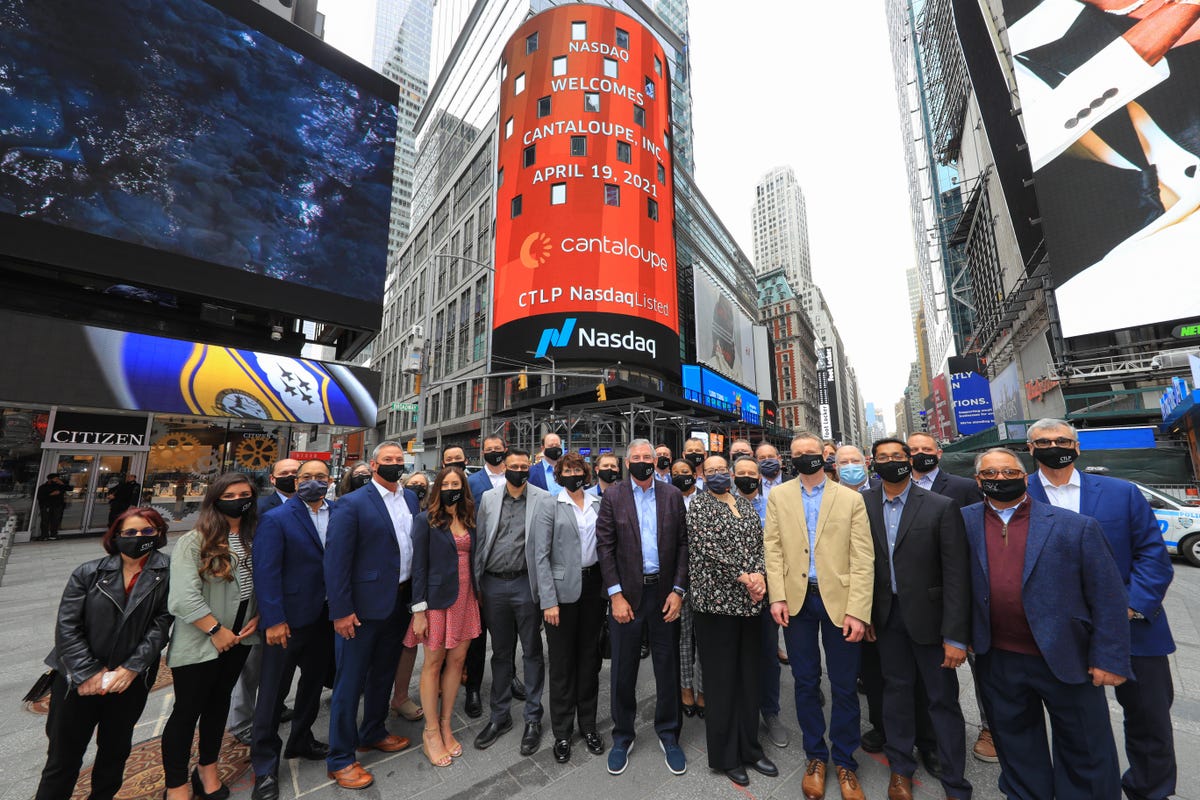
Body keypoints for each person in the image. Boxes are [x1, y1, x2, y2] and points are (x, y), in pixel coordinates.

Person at [964, 447, 1131, 800]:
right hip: (998, 657)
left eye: (1009, 473)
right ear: (978, 481)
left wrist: (1109, 657)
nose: (1000, 480)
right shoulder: (961, 522)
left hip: (1066, 655)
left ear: (1024, 477)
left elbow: (1108, 595)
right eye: (990, 474)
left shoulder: (1075, 526)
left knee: (1085, 747)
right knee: (1016, 746)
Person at [1023, 418, 1176, 800]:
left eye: (1062, 440)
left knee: (1149, 719)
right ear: (1030, 449)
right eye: (1044, 441)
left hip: (1133, 629)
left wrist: (1124, 607)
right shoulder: (1017, 494)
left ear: (1076, 446)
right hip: (1058, 632)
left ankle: (1150, 790)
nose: (1053, 446)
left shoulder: (1121, 493)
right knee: (1078, 725)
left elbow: (1152, 557)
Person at [764, 432, 873, 800]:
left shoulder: (849, 498)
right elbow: (773, 548)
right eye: (798, 454)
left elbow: (862, 557)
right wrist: (776, 596)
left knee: (843, 686)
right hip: (796, 602)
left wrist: (859, 611)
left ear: (823, 457)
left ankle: (844, 760)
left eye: (811, 452)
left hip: (839, 601)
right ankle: (816, 755)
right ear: (789, 459)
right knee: (805, 680)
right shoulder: (779, 496)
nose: (805, 458)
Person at [35, 507, 172, 800]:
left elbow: (161, 626)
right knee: (62, 758)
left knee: (115, 753)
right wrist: (88, 673)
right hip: (76, 681)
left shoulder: (168, 574)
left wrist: (132, 668)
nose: (139, 537)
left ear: (159, 534)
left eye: (148, 531)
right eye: (130, 532)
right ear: (116, 536)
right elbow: (67, 626)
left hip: (128, 681)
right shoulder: (87, 572)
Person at [862, 439, 971, 800]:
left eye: (897, 456)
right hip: (887, 618)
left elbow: (956, 573)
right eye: (883, 458)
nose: (890, 462)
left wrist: (956, 635)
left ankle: (955, 779)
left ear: (909, 461)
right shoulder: (862, 506)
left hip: (932, 620)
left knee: (942, 698)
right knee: (896, 693)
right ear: (872, 463)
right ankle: (900, 769)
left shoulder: (941, 506)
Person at [323, 442, 419, 789]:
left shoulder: (409, 499)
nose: (395, 465)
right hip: (361, 610)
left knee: (383, 673)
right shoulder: (352, 504)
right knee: (350, 683)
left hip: (399, 601)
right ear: (374, 465)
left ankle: (373, 730)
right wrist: (342, 611)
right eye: (388, 460)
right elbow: (336, 563)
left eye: (399, 460)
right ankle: (340, 758)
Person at [163, 474, 262, 800]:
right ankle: (176, 785)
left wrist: (257, 616)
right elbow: (181, 596)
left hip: (240, 638)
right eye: (230, 494)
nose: (238, 499)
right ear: (216, 499)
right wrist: (216, 631)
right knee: (187, 711)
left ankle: (207, 768)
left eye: (244, 494)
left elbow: (255, 585)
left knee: (218, 705)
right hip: (202, 640)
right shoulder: (196, 540)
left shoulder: (253, 534)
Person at [596, 439, 689, 777]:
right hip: (627, 598)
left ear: (655, 460)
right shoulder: (614, 496)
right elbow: (604, 547)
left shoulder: (672, 496)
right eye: (634, 458)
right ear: (627, 463)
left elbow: (682, 545)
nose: (641, 462)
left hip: (664, 594)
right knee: (623, 670)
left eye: (646, 457)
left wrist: (678, 591)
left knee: (667, 667)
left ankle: (669, 733)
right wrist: (615, 595)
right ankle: (623, 735)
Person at [688, 455, 777, 787]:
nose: (715, 474)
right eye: (708, 471)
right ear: (702, 475)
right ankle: (726, 756)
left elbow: (759, 543)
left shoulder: (743, 502)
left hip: (749, 604)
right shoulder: (699, 507)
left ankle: (751, 748)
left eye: (720, 469)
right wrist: (745, 577)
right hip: (716, 606)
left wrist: (758, 575)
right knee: (722, 682)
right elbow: (708, 550)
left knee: (748, 678)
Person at [249, 460, 335, 800]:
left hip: (326, 617)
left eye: (320, 477)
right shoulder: (276, 518)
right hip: (288, 621)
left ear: (329, 481)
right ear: (295, 482)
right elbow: (266, 573)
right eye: (306, 477)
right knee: (272, 694)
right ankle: (265, 766)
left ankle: (302, 738)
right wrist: (274, 619)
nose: (313, 482)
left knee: (313, 685)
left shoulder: (338, 512)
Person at [907, 432, 992, 764]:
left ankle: (990, 728)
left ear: (938, 453)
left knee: (978, 663)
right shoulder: (892, 487)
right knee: (928, 676)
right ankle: (925, 736)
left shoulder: (961, 488)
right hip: (917, 597)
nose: (919, 455)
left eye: (926, 450)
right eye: (913, 450)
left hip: (958, 590)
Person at [472, 447, 553, 755]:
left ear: (530, 469)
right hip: (493, 585)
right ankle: (500, 716)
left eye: (523, 466)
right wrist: (478, 584)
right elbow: (481, 542)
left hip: (525, 584)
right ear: (504, 468)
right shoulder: (489, 500)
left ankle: (533, 718)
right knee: (501, 654)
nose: (519, 470)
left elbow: (548, 549)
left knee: (532, 652)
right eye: (513, 466)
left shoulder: (543, 500)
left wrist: (547, 595)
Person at [405, 466, 481, 767]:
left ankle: (447, 723)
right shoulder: (426, 521)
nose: (452, 487)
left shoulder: (470, 519)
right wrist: (419, 611)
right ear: (438, 488)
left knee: (458, 662)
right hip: (436, 602)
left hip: (466, 598)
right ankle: (431, 732)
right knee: (433, 664)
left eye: (457, 483)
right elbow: (418, 568)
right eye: (447, 483)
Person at [535, 453, 607, 763]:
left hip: (593, 589)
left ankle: (588, 724)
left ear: (586, 473)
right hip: (561, 593)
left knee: (590, 660)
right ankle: (562, 731)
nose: (574, 474)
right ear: (559, 475)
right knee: (563, 663)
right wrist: (548, 600)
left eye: (578, 469)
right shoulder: (550, 505)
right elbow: (540, 556)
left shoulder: (597, 504)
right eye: (568, 470)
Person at [229, 458, 300, 746]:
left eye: (296, 473)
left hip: (297, 596)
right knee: (253, 663)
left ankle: (276, 705)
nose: (292, 477)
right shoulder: (261, 510)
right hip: (264, 597)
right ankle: (242, 721)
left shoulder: (313, 506)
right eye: (285, 474)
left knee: (283, 662)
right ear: (273, 479)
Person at [736, 457, 789, 749]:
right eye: (741, 473)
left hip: (768, 590)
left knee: (768, 655)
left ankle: (771, 712)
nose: (747, 478)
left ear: (760, 477)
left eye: (751, 473)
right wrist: (746, 578)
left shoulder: (774, 504)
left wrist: (764, 580)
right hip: (734, 592)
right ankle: (743, 712)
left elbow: (780, 546)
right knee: (738, 656)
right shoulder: (724, 503)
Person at [464, 436, 509, 719]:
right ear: (482, 453)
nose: (494, 453)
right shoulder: (473, 482)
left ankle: (509, 677)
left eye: (498, 449)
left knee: (507, 633)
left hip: (513, 565)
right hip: (483, 566)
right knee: (478, 636)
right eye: (489, 450)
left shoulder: (518, 476)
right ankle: (473, 688)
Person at [670, 459, 704, 720]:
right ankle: (685, 687)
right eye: (675, 473)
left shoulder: (708, 499)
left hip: (706, 580)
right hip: (677, 579)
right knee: (683, 637)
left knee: (704, 637)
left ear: (695, 475)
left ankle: (703, 688)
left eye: (685, 473)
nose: (681, 477)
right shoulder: (667, 499)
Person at [36, 473, 68, 541]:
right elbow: (40, 497)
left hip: (57, 506)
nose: (57, 480)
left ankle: (53, 535)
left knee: (55, 521)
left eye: (58, 478)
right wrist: (51, 494)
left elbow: (70, 489)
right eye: (56, 478)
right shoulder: (43, 487)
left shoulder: (59, 486)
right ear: (50, 479)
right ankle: (44, 535)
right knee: (45, 521)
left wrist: (62, 484)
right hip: (46, 506)